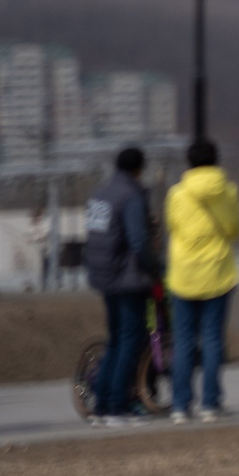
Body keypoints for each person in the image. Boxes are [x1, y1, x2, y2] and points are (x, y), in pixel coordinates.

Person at [163, 138, 239, 423]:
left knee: (183, 342)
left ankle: (180, 405)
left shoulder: (176, 194)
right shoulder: (228, 192)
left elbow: (173, 227)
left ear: (189, 162)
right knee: (212, 340)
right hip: (218, 273)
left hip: (183, 275)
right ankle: (210, 403)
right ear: (216, 160)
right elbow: (234, 229)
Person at [83, 145, 159, 425]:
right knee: (129, 342)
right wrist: (156, 268)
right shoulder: (132, 196)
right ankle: (117, 406)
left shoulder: (100, 193)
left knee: (115, 341)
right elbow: (138, 241)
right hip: (128, 279)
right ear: (139, 169)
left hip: (104, 277)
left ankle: (101, 405)